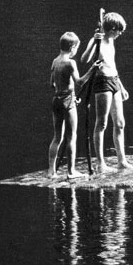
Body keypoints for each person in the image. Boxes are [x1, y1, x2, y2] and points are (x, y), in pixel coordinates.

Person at [81, 11, 132, 172]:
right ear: (111, 29)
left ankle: (122, 161)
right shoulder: (97, 40)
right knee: (102, 123)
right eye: (119, 30)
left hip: (114, 80)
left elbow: (112, 64)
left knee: (120, 123)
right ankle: (100, 163)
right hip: (101, 81)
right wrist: (94, 42)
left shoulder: (111, 41)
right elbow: (84, 59)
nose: (120, 34)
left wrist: (121, 87)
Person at [49, 32, 91, 178]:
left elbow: (51, 83)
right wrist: (92, 70)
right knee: (71, 136)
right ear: (72, 47)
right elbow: (79, 81)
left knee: (57, 137)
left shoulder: (55, 61)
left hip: (56, 100)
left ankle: (51, 171)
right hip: (68, 102)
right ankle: (71, 171)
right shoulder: (70, 63)